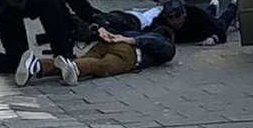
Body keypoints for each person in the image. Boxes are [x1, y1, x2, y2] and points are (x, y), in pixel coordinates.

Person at [15, 26, 176, 87]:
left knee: (80, 62)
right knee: (102, 67)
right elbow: (161, 45)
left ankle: (36, 66)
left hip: (108, 43)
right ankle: (75, 69)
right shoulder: (163, 41)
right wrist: (131, 40)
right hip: (130, 54)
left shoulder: (139, 30)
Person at [93, 0, 237, 46]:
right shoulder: (161, 21)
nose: (174, 22)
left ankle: (232, 6)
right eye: (171, 18)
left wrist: (214, 37)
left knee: (221, 22)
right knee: (209, 15)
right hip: (192, 32)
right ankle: (212, 6)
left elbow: (218, 30)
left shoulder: (196, 16)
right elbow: (147, 32)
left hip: (202, 29)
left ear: (184, 14)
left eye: (177, 17)